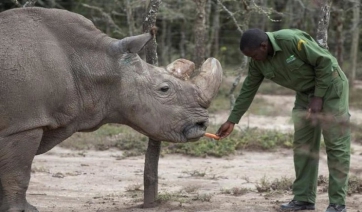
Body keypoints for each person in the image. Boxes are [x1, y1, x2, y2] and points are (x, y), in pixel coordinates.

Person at [216, 28, 350, 212]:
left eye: (255, 55)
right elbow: (248, 90)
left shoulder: (290, 40)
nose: (253, 59)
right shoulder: (257, 62)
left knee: (336, 145)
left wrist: (318, 97)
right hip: (305, 94)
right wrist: (232, 120)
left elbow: (326, 62)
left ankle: (337, 203)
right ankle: (304, 199)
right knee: (303, 146)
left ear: (264, 46)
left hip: (331, 88)